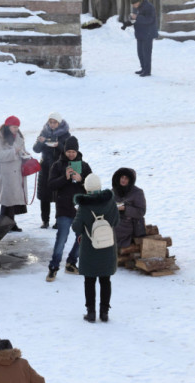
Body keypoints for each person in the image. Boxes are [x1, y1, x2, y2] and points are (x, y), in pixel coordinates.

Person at [72, 174, 120, 322]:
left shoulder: (84, 205)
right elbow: (116, 221)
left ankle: (91, 312)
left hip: (90, 248)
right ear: (99, 186)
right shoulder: (110, 201)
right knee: (105, 280)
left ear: (86, 188)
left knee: (89, 281)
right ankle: (104, 313)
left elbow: (76, 227)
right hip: (108, 247)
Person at [46, 137, 92, 282]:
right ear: (65, 151)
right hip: (63, 208)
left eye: (73, 151)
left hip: (80, 209)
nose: (71, 154)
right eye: (68, 151)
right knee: (61, 239)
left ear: (77, 151)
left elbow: (92, 186)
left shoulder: (84, 166)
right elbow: (51, 185)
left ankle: (71, 263)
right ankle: (53, 267)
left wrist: (82, 180)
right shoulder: (57, 165)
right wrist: (64, 178)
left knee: (82, 238)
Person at [32, 112, 71, 229]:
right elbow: (36, 149)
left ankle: (59, 221)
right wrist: (40, 142)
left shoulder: (66, 134)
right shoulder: (44, 132)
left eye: (55, 122)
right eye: (51, 122)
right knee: (45, 196)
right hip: (45, 167)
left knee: (59, 196)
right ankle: (45, 221)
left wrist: (58, 145)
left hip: (59, 168)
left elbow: (69, 151)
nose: (52, 124)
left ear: (59, 123)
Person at [0, 116, 29, 232]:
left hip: (17, 173)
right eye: (14, 127)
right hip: (6, 173)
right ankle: (4, 224)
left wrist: (25, 155)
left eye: (17, 127)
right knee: (7, 200)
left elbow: (22, 150)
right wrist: (13, 152)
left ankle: (11, 223)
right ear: (8, 126)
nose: (16, 129)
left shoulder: (19, 138)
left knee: (13, 200)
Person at [111, 167, 147, 249]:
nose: (123, 180)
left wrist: (125, 209)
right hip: (114, 219)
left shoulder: (137, 192)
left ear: (131, 180)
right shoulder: (114, 190)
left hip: (128, 223)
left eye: (126, 178)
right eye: (122, 177)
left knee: (113, 231)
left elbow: (141, 211)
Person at [130, 0, 158, 77]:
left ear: (138, 2)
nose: (133, 6)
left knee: (146, 53)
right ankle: (143, 68)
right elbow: (134, 18)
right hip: (139, 33)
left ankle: (147, 71)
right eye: (132, 5)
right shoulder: (136, 7)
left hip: (148, 33)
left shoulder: (149, 7)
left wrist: (137, 17)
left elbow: (150, 20)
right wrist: (131, 18)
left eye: (134, 4)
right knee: (140, 52)